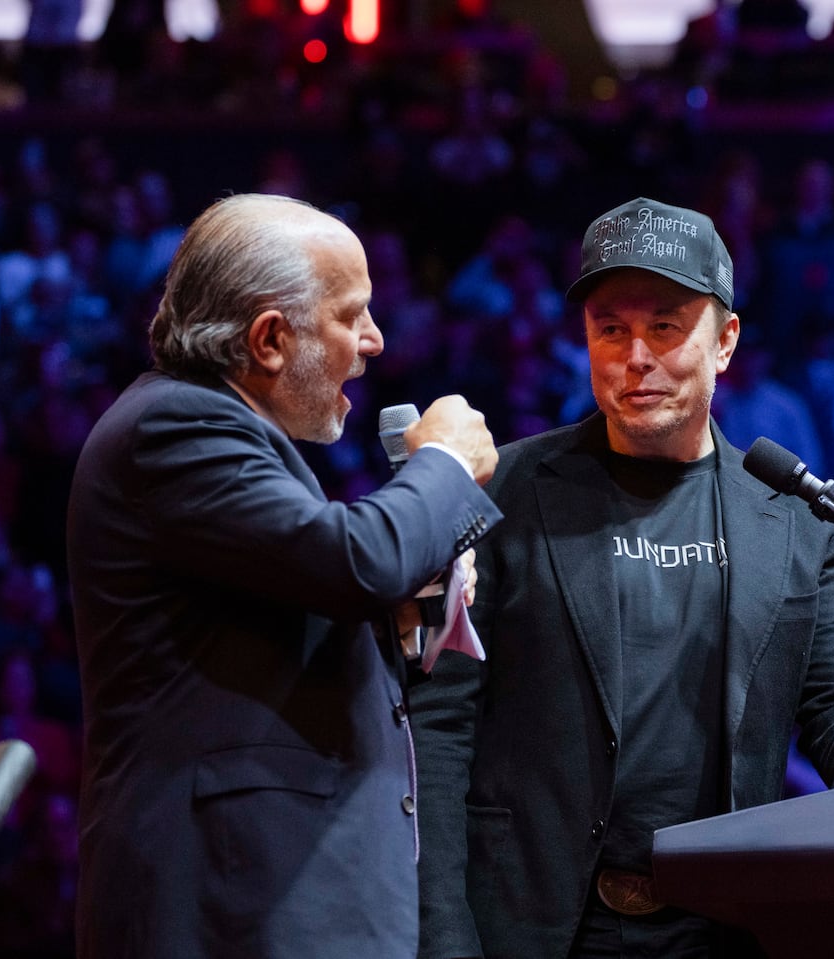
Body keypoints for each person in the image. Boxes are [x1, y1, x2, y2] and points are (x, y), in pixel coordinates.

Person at [413, 196, 834, 959]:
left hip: (719, 926)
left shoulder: (797, 516)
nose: (635, 357)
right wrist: (446, 941)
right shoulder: (499, 494)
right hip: (532, 926)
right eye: (610, 329)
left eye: (664, 326)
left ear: (724, 342)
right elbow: (438, 726)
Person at [66, 193, 502, 959]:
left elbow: (294, 620)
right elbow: (358, 561)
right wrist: (446, 463)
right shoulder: (177, 426)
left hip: (275, 905)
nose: (373, 341)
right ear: (269, 338)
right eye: (352, 315)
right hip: (230, 912)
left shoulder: (224, 436)